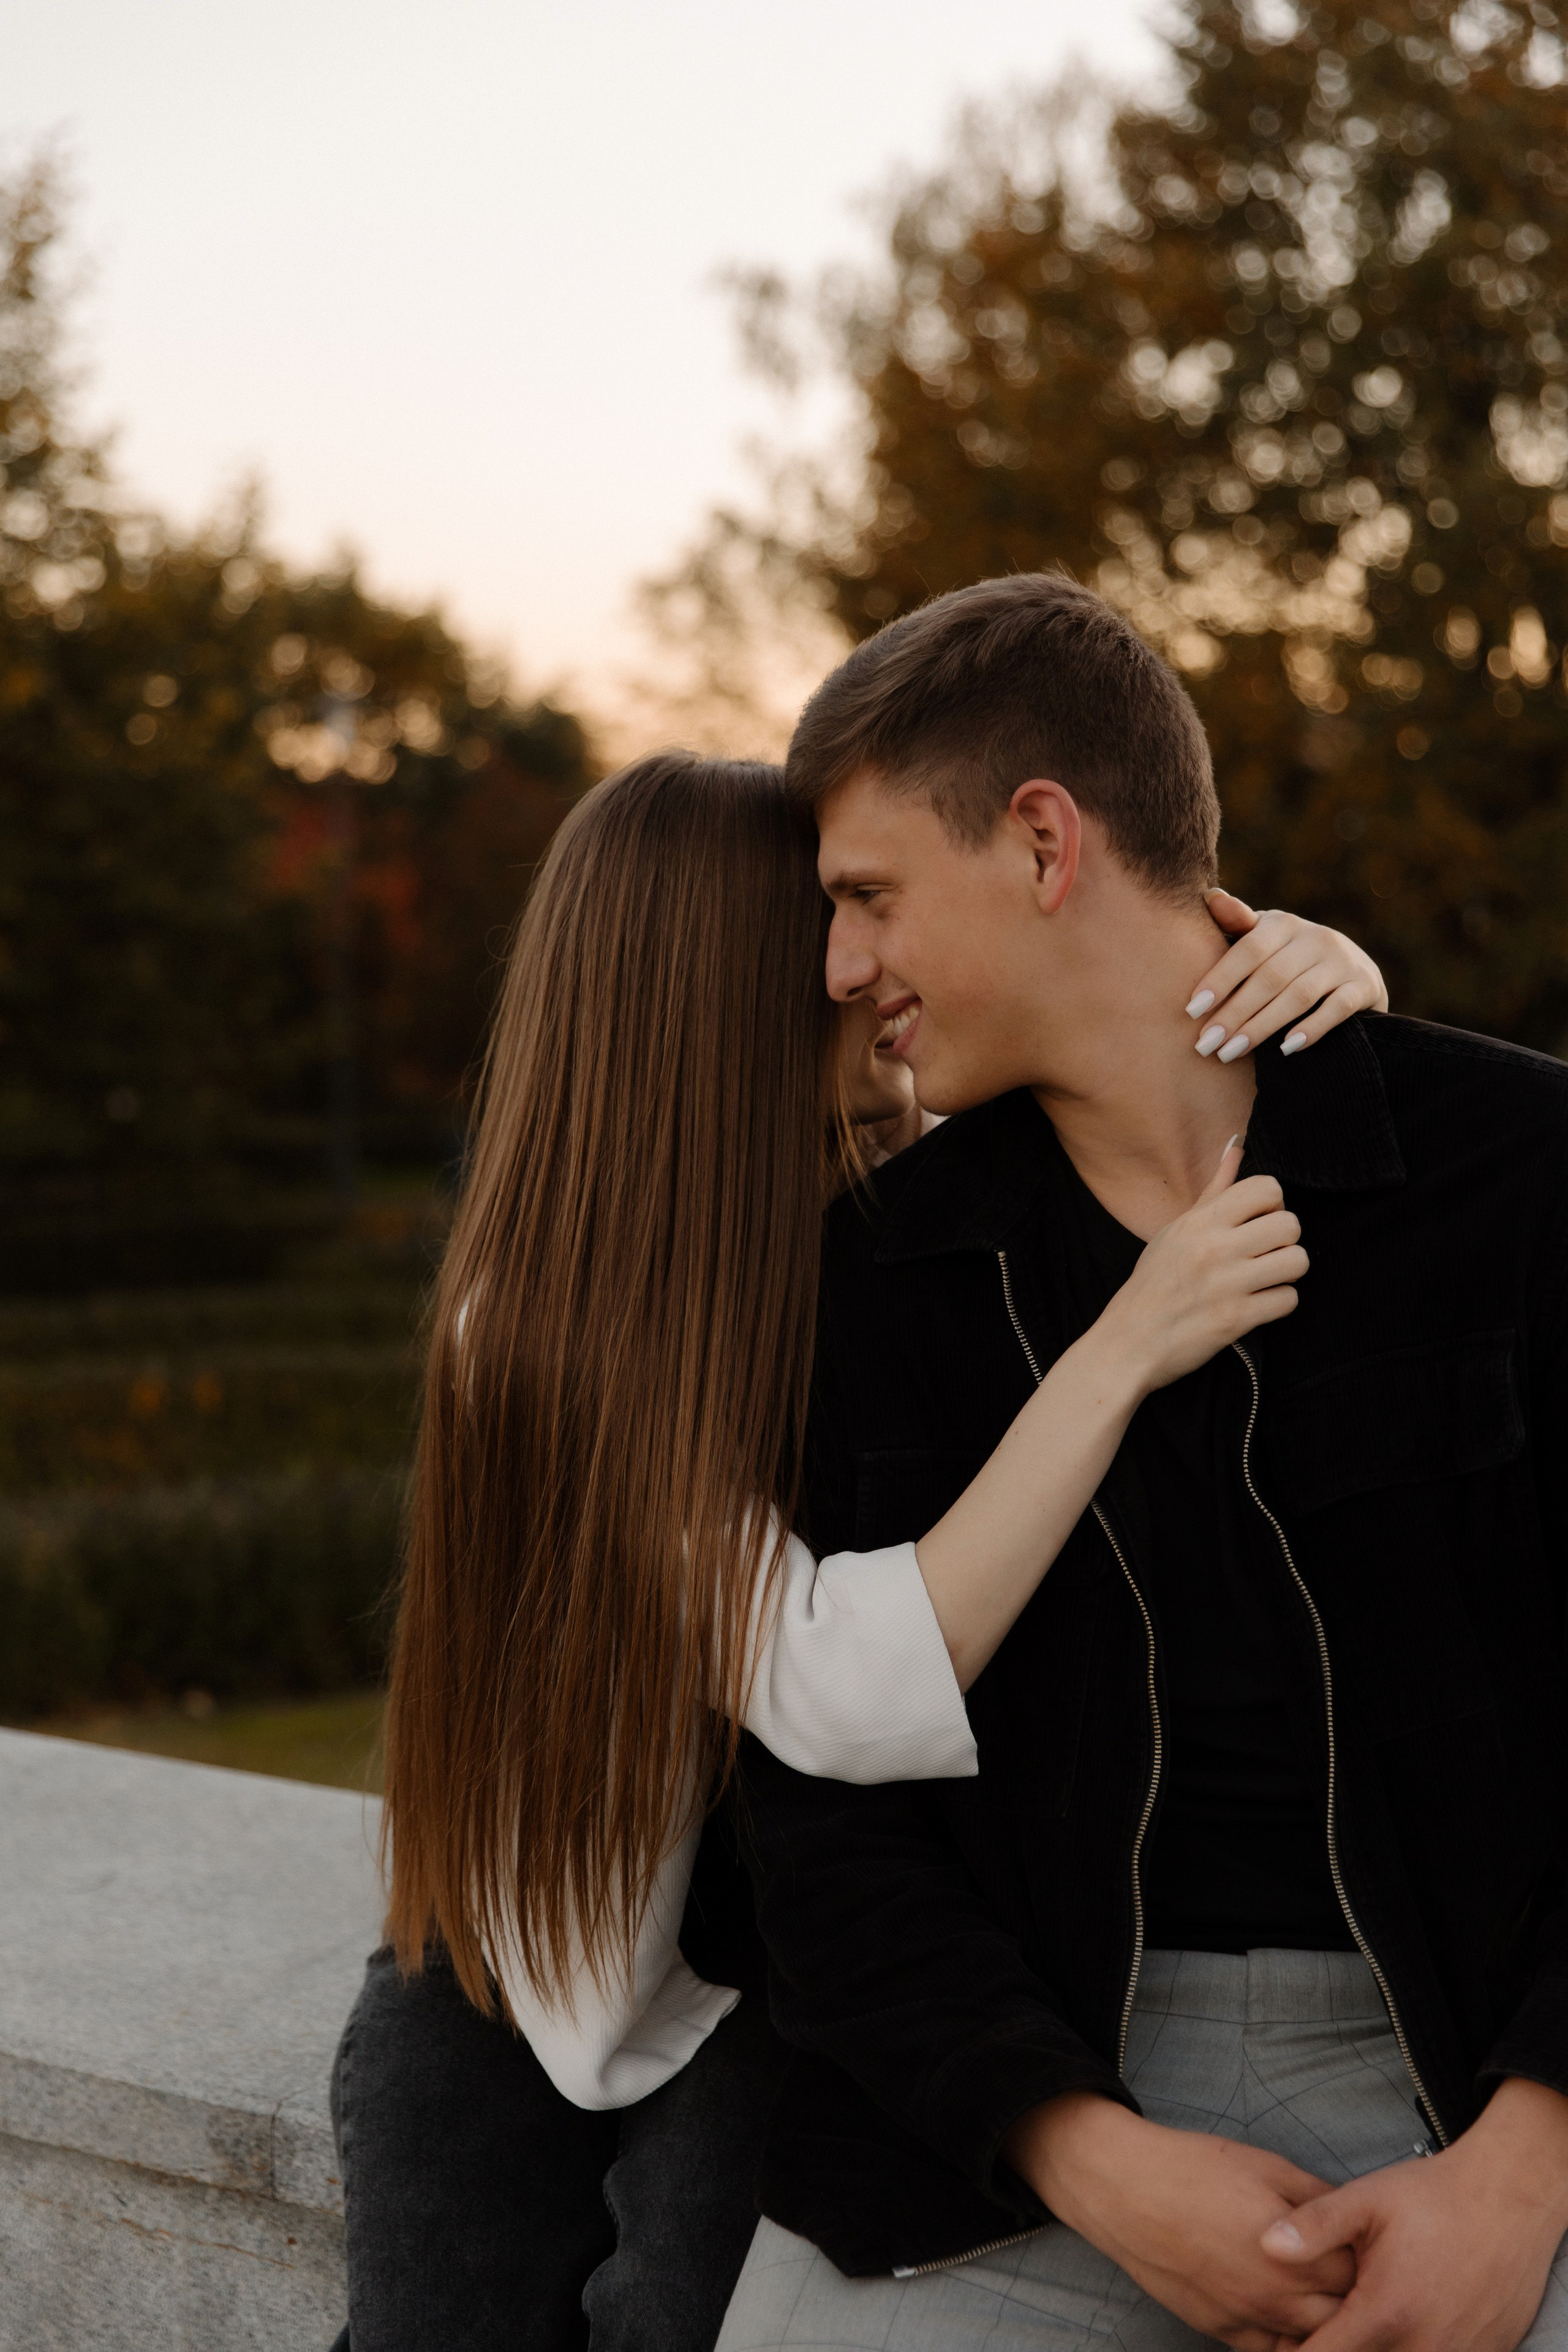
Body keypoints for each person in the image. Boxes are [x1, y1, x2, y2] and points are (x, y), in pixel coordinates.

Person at [327, 749, 1385, 2352]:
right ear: (731, 991)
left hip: (770, 1954)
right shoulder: (544, 1317)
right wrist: (1125, 1342)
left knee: (683, 2309)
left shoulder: (904, 1205)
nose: (867, 965)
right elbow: (837, 1681)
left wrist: (1324, 972)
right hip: (513, 1946)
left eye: (871, 911)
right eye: (833, 925)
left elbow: (1132, 1052)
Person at [714, 572, 1568, 2352]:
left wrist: (1530, 2159)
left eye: (867, 897)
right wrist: (1082, 2152)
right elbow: (818, 1839)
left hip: (1498, 2065)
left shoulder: (1522, 1177)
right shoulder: (870, 1279)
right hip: (1020, 2096)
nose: (840, 967)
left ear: (1043, 841)